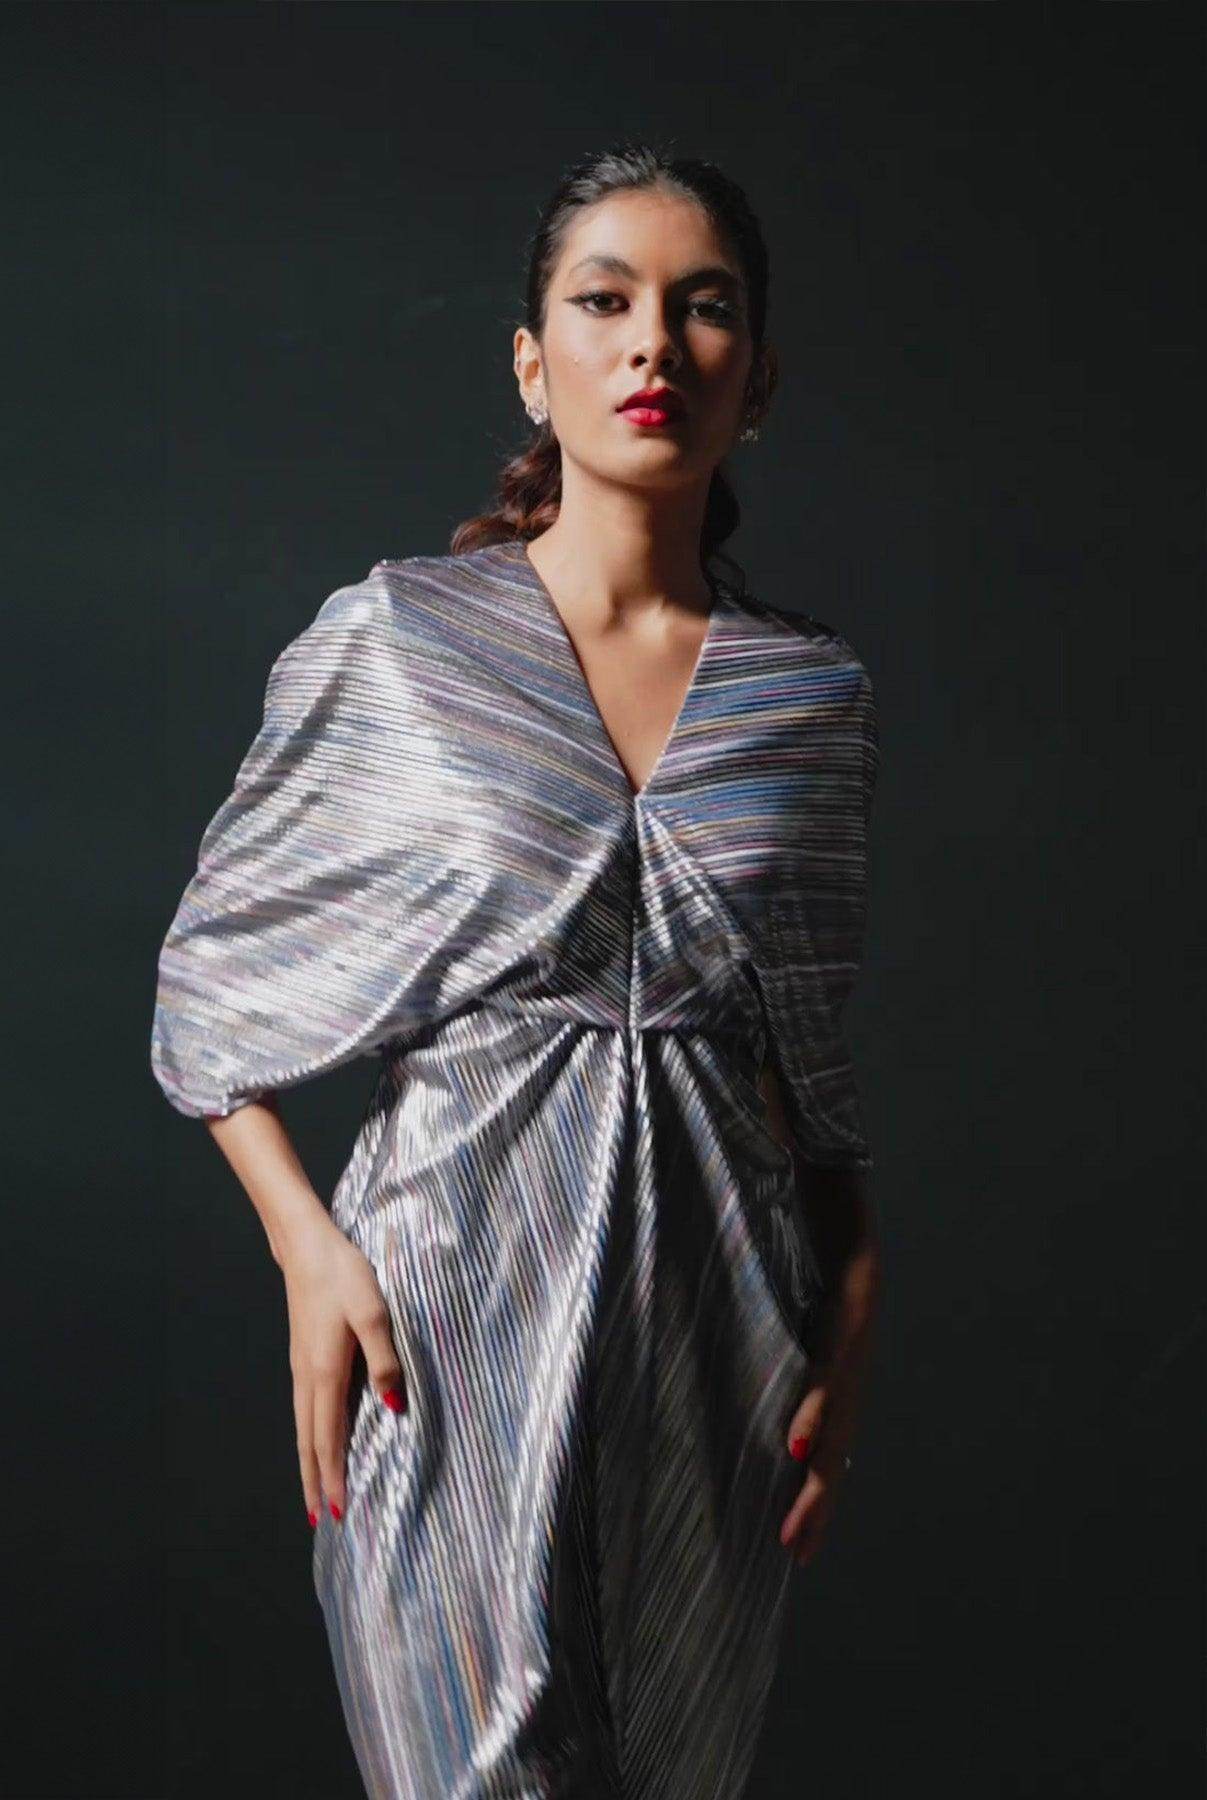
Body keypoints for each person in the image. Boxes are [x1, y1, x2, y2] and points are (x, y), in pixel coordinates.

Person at [150, 141, 883, 1800]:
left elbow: (811, 1066)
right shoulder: (403, 642)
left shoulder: (811, 701)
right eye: (604, 302)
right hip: (443, 1323)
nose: (653, 343)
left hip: (718, 1343)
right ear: (533, 364)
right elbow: (208, 982)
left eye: (702, 308)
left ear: (757, 381)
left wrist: (850, 1315)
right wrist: (309, 1253)